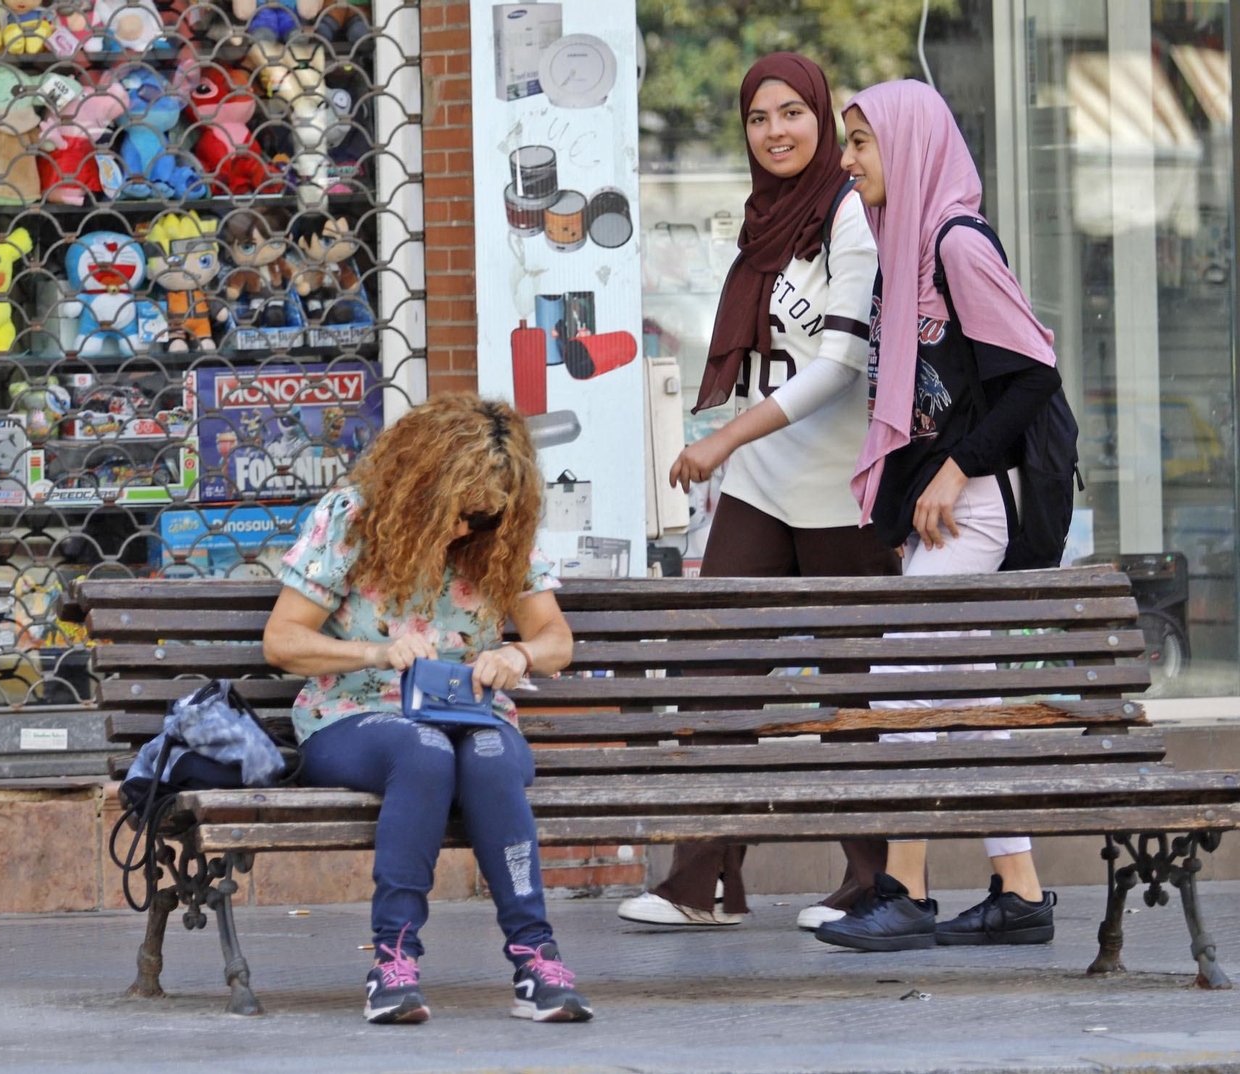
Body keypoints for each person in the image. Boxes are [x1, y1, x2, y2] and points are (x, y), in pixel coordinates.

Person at [617, 52, 897, 935]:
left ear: (820, 118)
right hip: (764, 486)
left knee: (851, 696)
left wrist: (723, 439)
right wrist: (736, 452)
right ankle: (700, 881)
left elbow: (842, 361)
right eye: (757, 118)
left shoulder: (851, 216)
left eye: (792, 114)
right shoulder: (765, 220)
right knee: (716, 678)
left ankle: (864, 887)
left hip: (847, 488)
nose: (775, 131)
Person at [813, 79, 1064, 952]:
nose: (847, 161)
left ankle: (907, 890)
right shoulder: (905, 243)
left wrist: (956, 469)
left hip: (980, 505)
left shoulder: (955, 241)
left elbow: (1035, 372)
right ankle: (1020, 889)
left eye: (860, 142)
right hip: (948, 506)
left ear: (910, 144)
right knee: (974, 698)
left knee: (903, 680)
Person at [262, 394, 594, 1024]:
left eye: (485, 519)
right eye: (461, 513)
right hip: (353, 714)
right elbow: (282, 641)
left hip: (473, 715)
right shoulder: (351, 518)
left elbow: (557, 639)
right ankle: (393, 963)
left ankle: (536, 961)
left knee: (491, 753)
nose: (469, 530)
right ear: (422, 485)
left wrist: (519, 657)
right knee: (423, 750)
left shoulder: (501, 538)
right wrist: (377, 652)